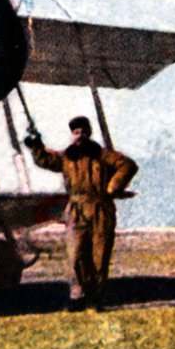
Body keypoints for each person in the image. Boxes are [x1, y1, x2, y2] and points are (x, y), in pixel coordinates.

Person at [25, 116, 139, 310]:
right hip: (76, 210)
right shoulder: (67, 157)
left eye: (83, 132)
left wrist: (113, 187)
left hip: (101, 209)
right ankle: (78, 295)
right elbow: (46, 159)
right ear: (72, 134)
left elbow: (128, 165)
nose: (80, 136)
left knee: (99, 256)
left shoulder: (103, 155)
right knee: (77, 254)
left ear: (89, 133)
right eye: (76, 132)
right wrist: (36, 145)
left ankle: (96, 298)